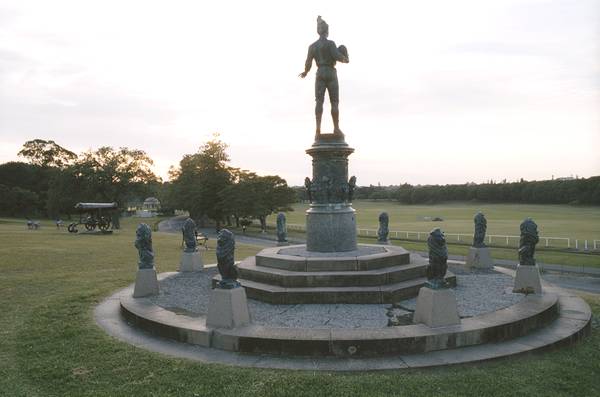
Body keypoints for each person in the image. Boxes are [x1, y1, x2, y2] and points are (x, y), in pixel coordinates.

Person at [299, 16, 349, 136]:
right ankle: (336, 128)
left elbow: (308, 63)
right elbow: (337, 56)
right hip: (331, 73)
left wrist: (305, 72)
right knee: (334, 102)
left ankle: (318, 129)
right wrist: (345, 58)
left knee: (319, 102)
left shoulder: (312, 46)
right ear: (327, 31)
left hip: (320, 73)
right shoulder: (331, 44)